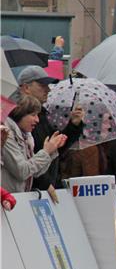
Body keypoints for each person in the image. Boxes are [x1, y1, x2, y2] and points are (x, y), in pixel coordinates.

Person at [15, 65, 85, 200]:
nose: (47, 90)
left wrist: (74, 125)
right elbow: (28, 156)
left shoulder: (43, 115)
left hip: (47, 187)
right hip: (31, 193)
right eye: (42, 85)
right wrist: (45, 183)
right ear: (26, 88)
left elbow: (56, 148)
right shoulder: (18, 117)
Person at [1, 95, 66, 193]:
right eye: (33, 115)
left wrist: (50, 151)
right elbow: (22, 171)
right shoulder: (6, 134)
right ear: (20, 113)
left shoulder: (26, 135)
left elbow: (35, 172)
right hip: (8, 200)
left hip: (18, 199)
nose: (37, 120)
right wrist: (46, 151)